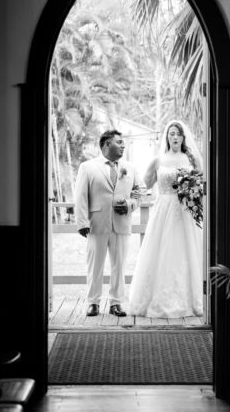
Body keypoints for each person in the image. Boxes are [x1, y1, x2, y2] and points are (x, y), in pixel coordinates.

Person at [128, 120, 205, 318]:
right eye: (171, 133)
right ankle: (156, 299)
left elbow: (202, 185)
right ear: (167, 137)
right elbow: (143, 186)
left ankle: (190, 300)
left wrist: (193, 194)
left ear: (183, 137)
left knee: (183, 252)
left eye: (178, 133)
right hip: (163, 211)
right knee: (161, 252)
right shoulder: (158, 160)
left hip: (185, 212)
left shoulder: (191, 159)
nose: (175, 137)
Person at [73, 129, 142, 317]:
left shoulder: (130, 167)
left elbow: (139, 191)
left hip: (121, 223)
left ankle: (116, 303)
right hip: (96, 224)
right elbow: (80, 196)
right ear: (106, 145)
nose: (123, 145)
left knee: (119, 265)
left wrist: (129, 204)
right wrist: (81, 222)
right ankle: (93, 302)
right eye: (119, 142)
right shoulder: (87, 167)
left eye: (123, 142)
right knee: (95, 265)